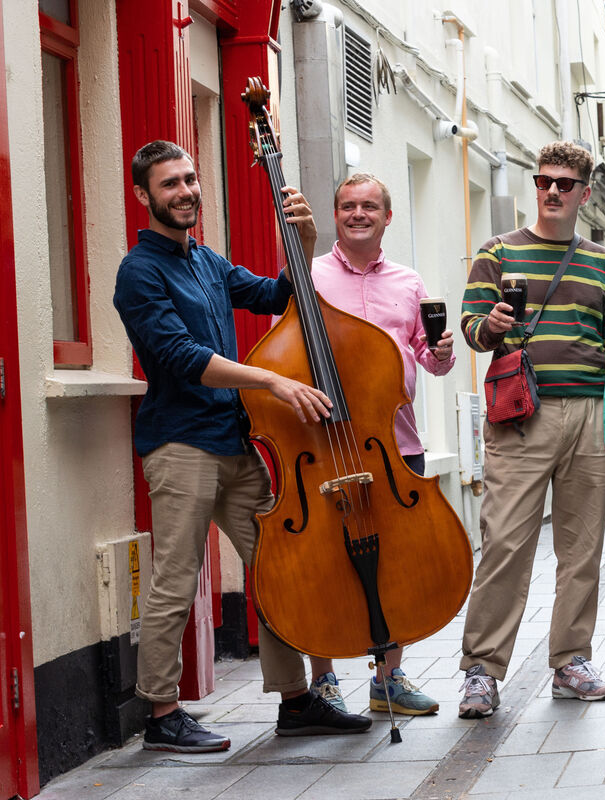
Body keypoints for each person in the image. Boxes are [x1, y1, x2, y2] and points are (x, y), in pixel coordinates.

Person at [113, 140, 371, 753]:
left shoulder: (204, 260)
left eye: (190, 179)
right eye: (169, 184)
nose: (185, 192)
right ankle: (160, 714)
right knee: (176, 578)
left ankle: (296, 700)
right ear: (143, 196)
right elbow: (179, 359)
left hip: (236, 444)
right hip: (180, 447)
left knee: (279, 569)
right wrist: (273, 380)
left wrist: (304, 242)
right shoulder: (139, 271)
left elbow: (277, 296)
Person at [456, 141, 605, 718]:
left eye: (565, 183)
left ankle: (571, 660)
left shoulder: (604, 264)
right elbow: (472, 328)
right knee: (505, 543)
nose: (552, 191)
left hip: (591, 412)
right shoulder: (496, 253)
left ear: (585, 192)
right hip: (520, 415)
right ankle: (481, 669)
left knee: (582, 548)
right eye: (544, 181)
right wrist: (491, 323)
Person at [303, 173, 454, 716]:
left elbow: (432, 363)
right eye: (348, 206)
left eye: (369, 206)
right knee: (322, 562)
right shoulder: (307, 275)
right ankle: (324, 680)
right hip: (323, 444)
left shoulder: (410, 283)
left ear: (388, 217)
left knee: (396, 563)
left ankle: (388, 678)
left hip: (395, 446)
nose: (358, 213)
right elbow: (285, 349)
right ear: (335, 214)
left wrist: (440, 350)